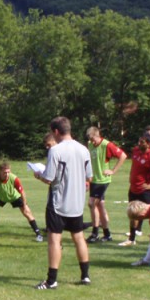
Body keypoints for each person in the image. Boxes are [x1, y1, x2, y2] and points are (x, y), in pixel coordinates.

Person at [33, 116, 93, 288]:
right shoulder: (84, 149)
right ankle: (85, 276)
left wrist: (38, 175)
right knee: (79, 238)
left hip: (58, 203)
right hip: (77, 204)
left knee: (54, 240)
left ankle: (51, 280)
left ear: (56, 131)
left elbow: (49, 178)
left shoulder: (55, 151)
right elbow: (89, 177)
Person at [0, 162, 43, 242]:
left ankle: (38, 234)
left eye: (8, 172)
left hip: (14, 196)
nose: (7, 174)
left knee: (27, 212)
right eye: (5, 172)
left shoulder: (14, 178)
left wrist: (24, 205)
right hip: (0, 196)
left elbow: (22, 192)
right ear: (0, 171)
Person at [120, 133, 150, 247]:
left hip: (144, 191)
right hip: (133, 189)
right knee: (133, 214)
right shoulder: (136, 151)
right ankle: (132, 239)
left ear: (149, 144)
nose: (139, 144)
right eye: (139, 141)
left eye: (142, 142)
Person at [85, 126, 127, 243]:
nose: (92, 142)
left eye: (93, 139)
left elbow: (123, 156)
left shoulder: (107, 145)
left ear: (97, 135)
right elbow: (88, 162)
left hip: (102, 180)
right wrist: (87, 179)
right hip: (94, 180)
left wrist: (113, 170)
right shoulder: (90, 145)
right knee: (100, 205)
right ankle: (107, 234)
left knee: (92, 203)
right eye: (90, 140)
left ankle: (95, 233)